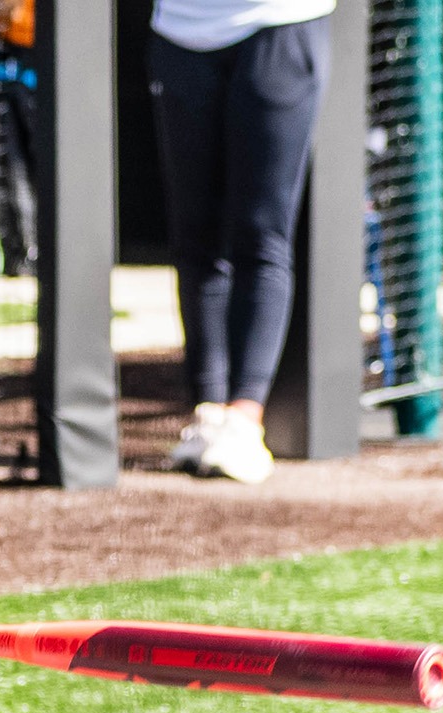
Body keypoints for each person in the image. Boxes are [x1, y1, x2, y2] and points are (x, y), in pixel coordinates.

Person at [149, 0, 335, 484]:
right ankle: (209, 415)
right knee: (196, 240)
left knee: (261, 236)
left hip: (280, 26)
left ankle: (245, 421)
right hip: (181, 33)